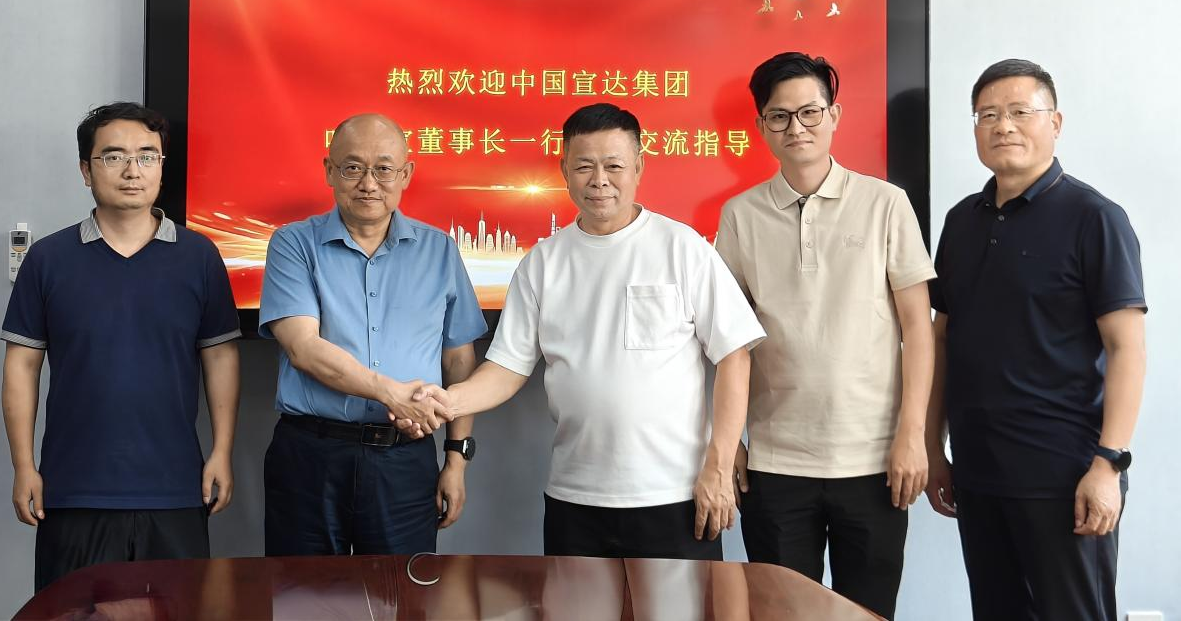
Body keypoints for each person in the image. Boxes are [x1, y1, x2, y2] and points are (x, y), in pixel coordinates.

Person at [400, 103, 763, 560]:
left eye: (614, 166)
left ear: (639, 167)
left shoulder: (683, 248)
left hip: (675, 494)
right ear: (564, 171)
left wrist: (719, 464)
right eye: (585, 166)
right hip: (575, 497)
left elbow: (734, 355)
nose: (600, 180)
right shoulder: (543, 262)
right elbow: (507, 368)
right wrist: (448, 402)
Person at [714, 52, 935, 621]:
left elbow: (919, 326)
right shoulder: (740, 216)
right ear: (762, 126)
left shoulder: (886, 203)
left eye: (810, 112)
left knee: (868, 612)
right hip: (775, 463)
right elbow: (725, 341)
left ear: (834, 115)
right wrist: (729, 441)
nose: (797, 127)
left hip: (874, 459)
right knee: (781, 614)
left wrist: (913, 435)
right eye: (780, 116)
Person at [925, 59, 1146, 621]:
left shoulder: (1095, 218)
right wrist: (932, 447)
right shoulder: (961, 221)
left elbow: (1127, 348)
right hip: (978, 470)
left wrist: (1109, 465)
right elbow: (942, 339)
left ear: (1055, 122)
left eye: (1021, 111)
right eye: (988, 115)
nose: (1003, 126)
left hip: (1065, 474)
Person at [0, 102, 241, 593]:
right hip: (73, 489)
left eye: (147, 156)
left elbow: (219, 356)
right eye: (114, 157)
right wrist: (24, 466)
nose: (133, 171)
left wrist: (221, 451)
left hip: (176, 487)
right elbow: (22, 365)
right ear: (86, 170)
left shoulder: (198, 257)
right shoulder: (48, 259)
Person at [258, 113, 486, 556]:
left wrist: (456, 459)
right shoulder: (293, 244)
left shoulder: (439, 249)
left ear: (406, 174)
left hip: (404, 460)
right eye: (352, 168)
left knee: (401, 590)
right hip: (310, 456)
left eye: (383, 169)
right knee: (303, 590)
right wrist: (392, 394)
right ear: (329, 171)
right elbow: (303, 348)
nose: (368, 183)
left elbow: (458, 359)